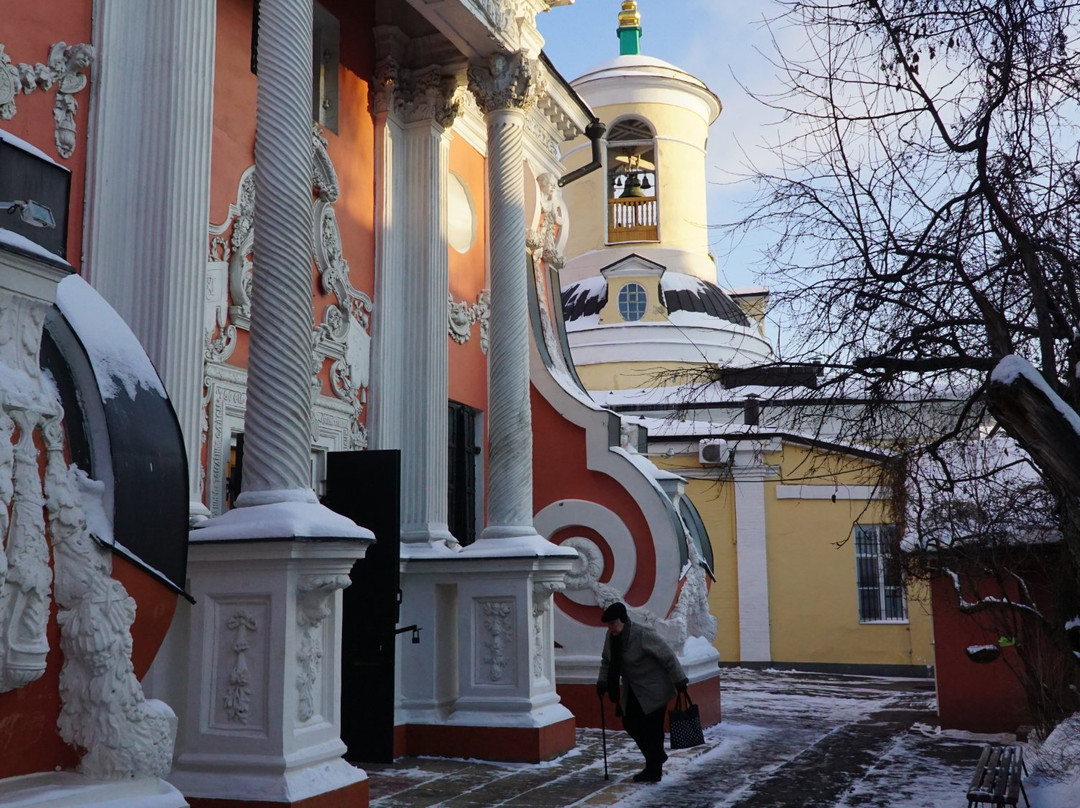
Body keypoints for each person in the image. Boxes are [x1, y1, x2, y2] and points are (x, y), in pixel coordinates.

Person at [596, 602, 688, 783]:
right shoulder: (612, 637)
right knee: (630, 722)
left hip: (655, 689)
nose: (611, 628)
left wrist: (680, 680)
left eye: (613, 623)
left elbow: (668, 656)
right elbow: (607, 661)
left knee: (653, 729)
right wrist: (602, 682)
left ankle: (653, 770)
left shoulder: (642, 634)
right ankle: (656, 757)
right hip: (633, 689)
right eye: (609, 625)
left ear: (623, 621)